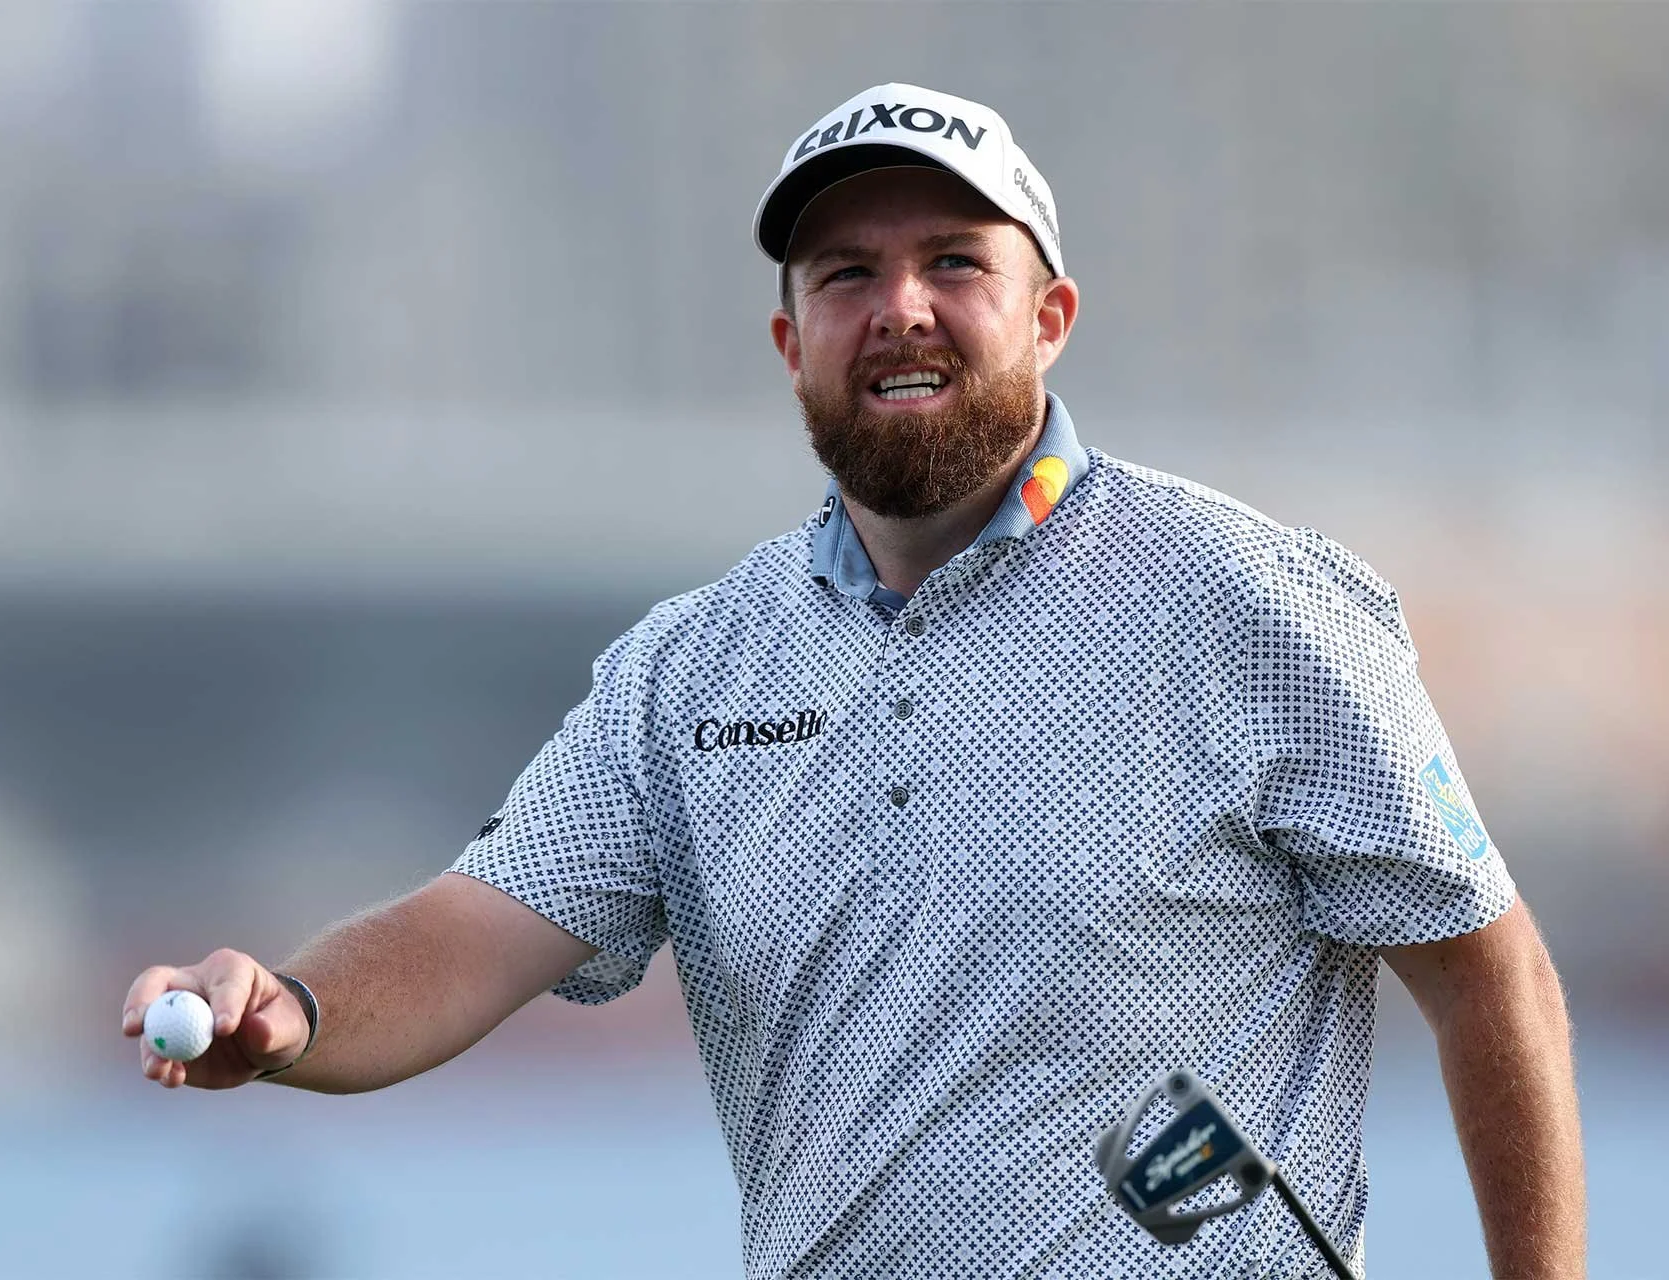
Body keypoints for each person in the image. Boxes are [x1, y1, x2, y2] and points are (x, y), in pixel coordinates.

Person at [122, 84, 1586, 1279]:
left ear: (1051, 315)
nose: (901, 306)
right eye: (848, 276)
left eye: (955, 261)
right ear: (792, 343)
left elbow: (1490, 980)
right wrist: (293, 1014)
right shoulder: (687, 672)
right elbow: (471, 932)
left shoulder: (1252, 607)